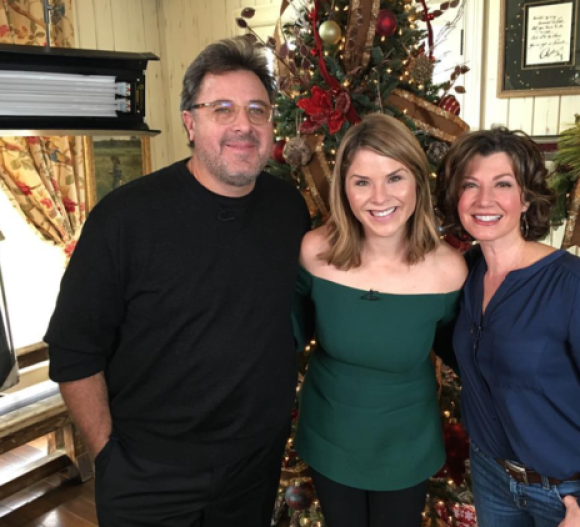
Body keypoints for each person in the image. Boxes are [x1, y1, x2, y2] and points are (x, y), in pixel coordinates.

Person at [45, 37, 310, 527]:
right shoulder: (124, 219)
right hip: (148, 473)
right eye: (222, 109)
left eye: (258, 110)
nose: (243, 125)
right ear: (191, 122)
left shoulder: (289, 209)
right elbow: (73, 349)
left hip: (254, 467)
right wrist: (108, 457)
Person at [436, 127, 580, 527]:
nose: (485, 200)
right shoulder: (463, 275)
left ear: (526, 197)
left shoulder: (579, 288)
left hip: (570, 494)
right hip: (492, 477)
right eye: (471, 185)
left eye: (502, 184)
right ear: (456, 196)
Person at [293, 113, 468, 527]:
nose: (379, 197)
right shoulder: (315, 252)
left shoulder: (449, 270)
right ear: (344, 189)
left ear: (417, 183)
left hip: (406, 444)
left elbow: (462, 349)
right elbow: (283, 330)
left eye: (395, 177)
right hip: (330, 435)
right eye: (361, 182)